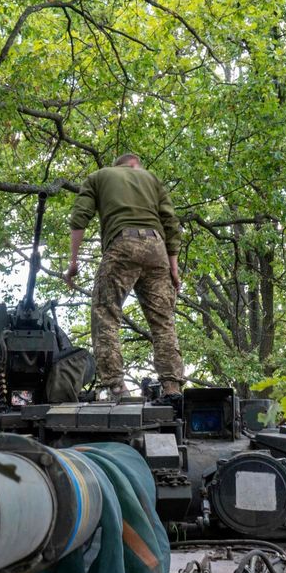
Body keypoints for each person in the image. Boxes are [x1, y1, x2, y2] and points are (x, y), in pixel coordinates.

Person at [65, 153, 184, 400]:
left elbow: (80, 217)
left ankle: (116, 385)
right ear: (134, 165)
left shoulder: (99, 176)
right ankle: (172, 386)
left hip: (122, 244)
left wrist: (73, 263)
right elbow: (171, 222)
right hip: (157, 249)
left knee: (105, 313)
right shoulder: (151, 178)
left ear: (119, 165)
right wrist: (174, 267)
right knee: (163, 322)